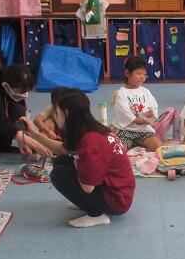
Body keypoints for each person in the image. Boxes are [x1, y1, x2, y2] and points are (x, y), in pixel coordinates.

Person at [20, 90, 135, 228]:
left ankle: (97, 214)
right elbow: (62, 149)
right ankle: (89, 203)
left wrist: (77, 163)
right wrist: (34, 134)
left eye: (56, 113)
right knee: (61, 160)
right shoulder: (87, 128)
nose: (54, 117)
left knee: (58, 175)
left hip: (117, 201)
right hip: (116, 189)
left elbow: (88, 187)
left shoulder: (90, 142)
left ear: (67, 113)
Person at [111, 56, 163, 151]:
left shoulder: (145, 92)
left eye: (145, 74)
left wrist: (151, 114)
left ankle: (136, 145)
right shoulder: (121, 93)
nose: (142, 77)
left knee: (159, 147)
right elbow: (129, 117)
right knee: (120, 150)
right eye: (138, 73)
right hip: (125, 130)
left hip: (143, 130)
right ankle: (131, 145)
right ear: (127, 73)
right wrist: (148, 121)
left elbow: (153, 108)